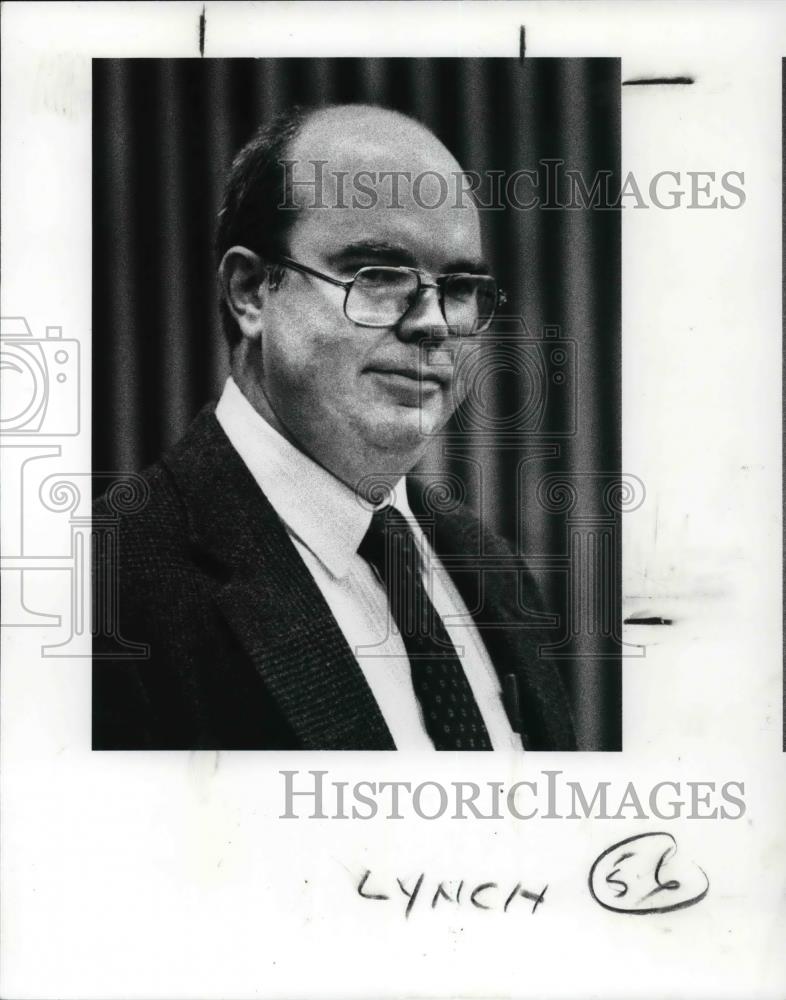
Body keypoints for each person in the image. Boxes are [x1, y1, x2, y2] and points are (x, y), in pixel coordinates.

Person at [92, 103, 576, 751]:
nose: (433, 323)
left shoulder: (493, 566)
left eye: (460, 286)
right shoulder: (103, 587)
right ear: (250, 291)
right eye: (377, 276)